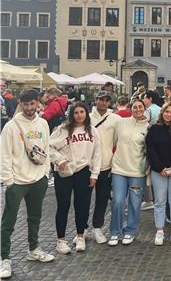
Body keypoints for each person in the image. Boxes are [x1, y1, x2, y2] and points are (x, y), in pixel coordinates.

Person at [0, 90, 54, 279]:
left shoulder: (43, 123)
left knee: (35, 217)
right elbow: (4, 154)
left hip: (38, 179)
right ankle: (4, 258)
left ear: (37, 103)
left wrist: (45, 174)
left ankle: (33, 249)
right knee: (9, 221)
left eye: (32, 104)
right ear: (21, 104)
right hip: (18, 181)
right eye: (26, 104)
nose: (30, 108)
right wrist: (9, 180)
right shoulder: (11, 126)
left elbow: (46, 149)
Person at [49, 102, 101, 254]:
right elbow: (48, 146)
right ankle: (61, 240)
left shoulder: (93, 131)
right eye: (76, 112)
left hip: (83, 171)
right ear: (72, 114)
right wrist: (59, 160)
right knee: (63, 206)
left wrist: (95, 174)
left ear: (86, 113)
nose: (79, 115)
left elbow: (97, 154)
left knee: (82, 205)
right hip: (64, 172)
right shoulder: (63, 130)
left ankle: (80, 236)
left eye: (82, 112)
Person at [108, 99, 149, 246]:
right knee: (118, 201)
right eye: (135, 107)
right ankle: (115, 231)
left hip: (137, 172)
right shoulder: (121, 123)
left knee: (134, 202)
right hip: (119, 168)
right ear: (131, 108)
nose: (138, 109)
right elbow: (113, 142)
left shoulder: (148, 127)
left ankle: (130, 230)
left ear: (144, 109)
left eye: (140, 107)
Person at [146, 103, 171, 246]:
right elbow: (150, 150)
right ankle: (160, 230)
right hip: (159, 171)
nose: (168, 114)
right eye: (166, 112)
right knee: (160, 202)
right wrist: (160, 168)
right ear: (162, 113)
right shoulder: (154, 130)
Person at [88, 91, 121, 244]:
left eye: (106, 100)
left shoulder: (115, 118)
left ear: (109, 102)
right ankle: (80, 229)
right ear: (96, 100)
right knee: (84, 199)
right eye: (100, 99)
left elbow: (117, 140)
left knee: (102, 198)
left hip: (106, 165)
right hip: (87, 165)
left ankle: (97, 227)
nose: (103, 103)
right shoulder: (87, 116)